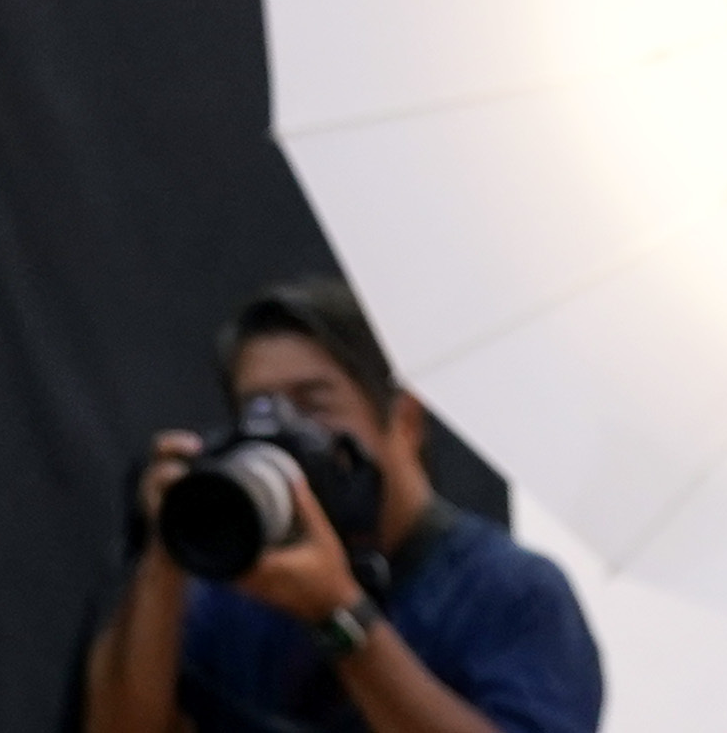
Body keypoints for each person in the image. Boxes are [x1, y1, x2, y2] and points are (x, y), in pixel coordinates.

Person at [81, 278, 605, 733]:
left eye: (314, 404)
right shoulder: (233, 588)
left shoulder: (512, 594)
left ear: (405, 422)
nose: (286, 434)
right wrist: (168, 552)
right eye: (259, 409)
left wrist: (338, 615)